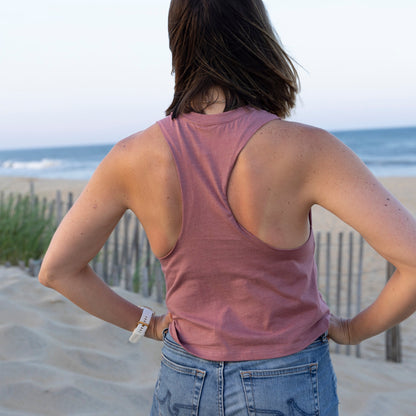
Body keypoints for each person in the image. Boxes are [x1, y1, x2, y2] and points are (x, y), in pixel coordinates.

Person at [39, 0, 416, 415]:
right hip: (285, 378)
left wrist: (148, 324)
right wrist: (350, 330)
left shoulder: (131, 156)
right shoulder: (307, 149)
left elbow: (58, 270)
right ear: (258, 36)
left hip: (183, 378)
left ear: (178, 44)